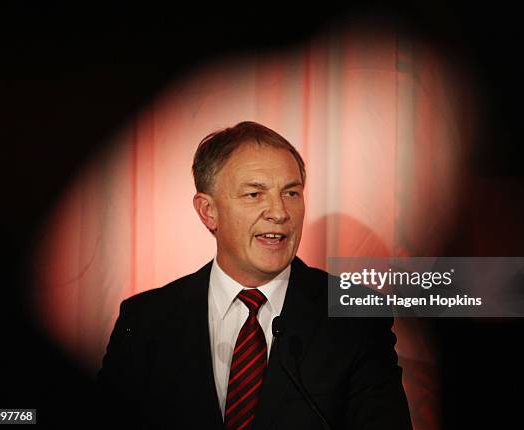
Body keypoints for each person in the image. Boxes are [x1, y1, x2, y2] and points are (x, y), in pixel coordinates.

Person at [96, 121, 412, 429]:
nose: (279, 212)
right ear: (209, 212)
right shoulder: (144, 320)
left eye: (292, 193)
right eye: (254, 194)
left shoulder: (356, 317)